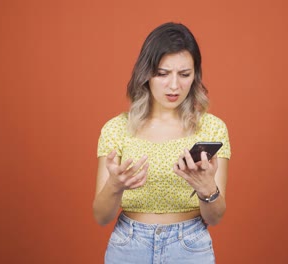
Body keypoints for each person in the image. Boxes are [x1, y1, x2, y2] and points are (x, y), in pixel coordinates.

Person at [93, 22, 231, 264]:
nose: (174, 85)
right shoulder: (116, 129)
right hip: (128, 246)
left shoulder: (211, 128)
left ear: (195, 75)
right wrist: (115, 186)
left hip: (190, 247)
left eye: (184, 74)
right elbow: (101, 216)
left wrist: (206, 188)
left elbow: (216, 217)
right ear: (146, 74)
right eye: (162, 73)